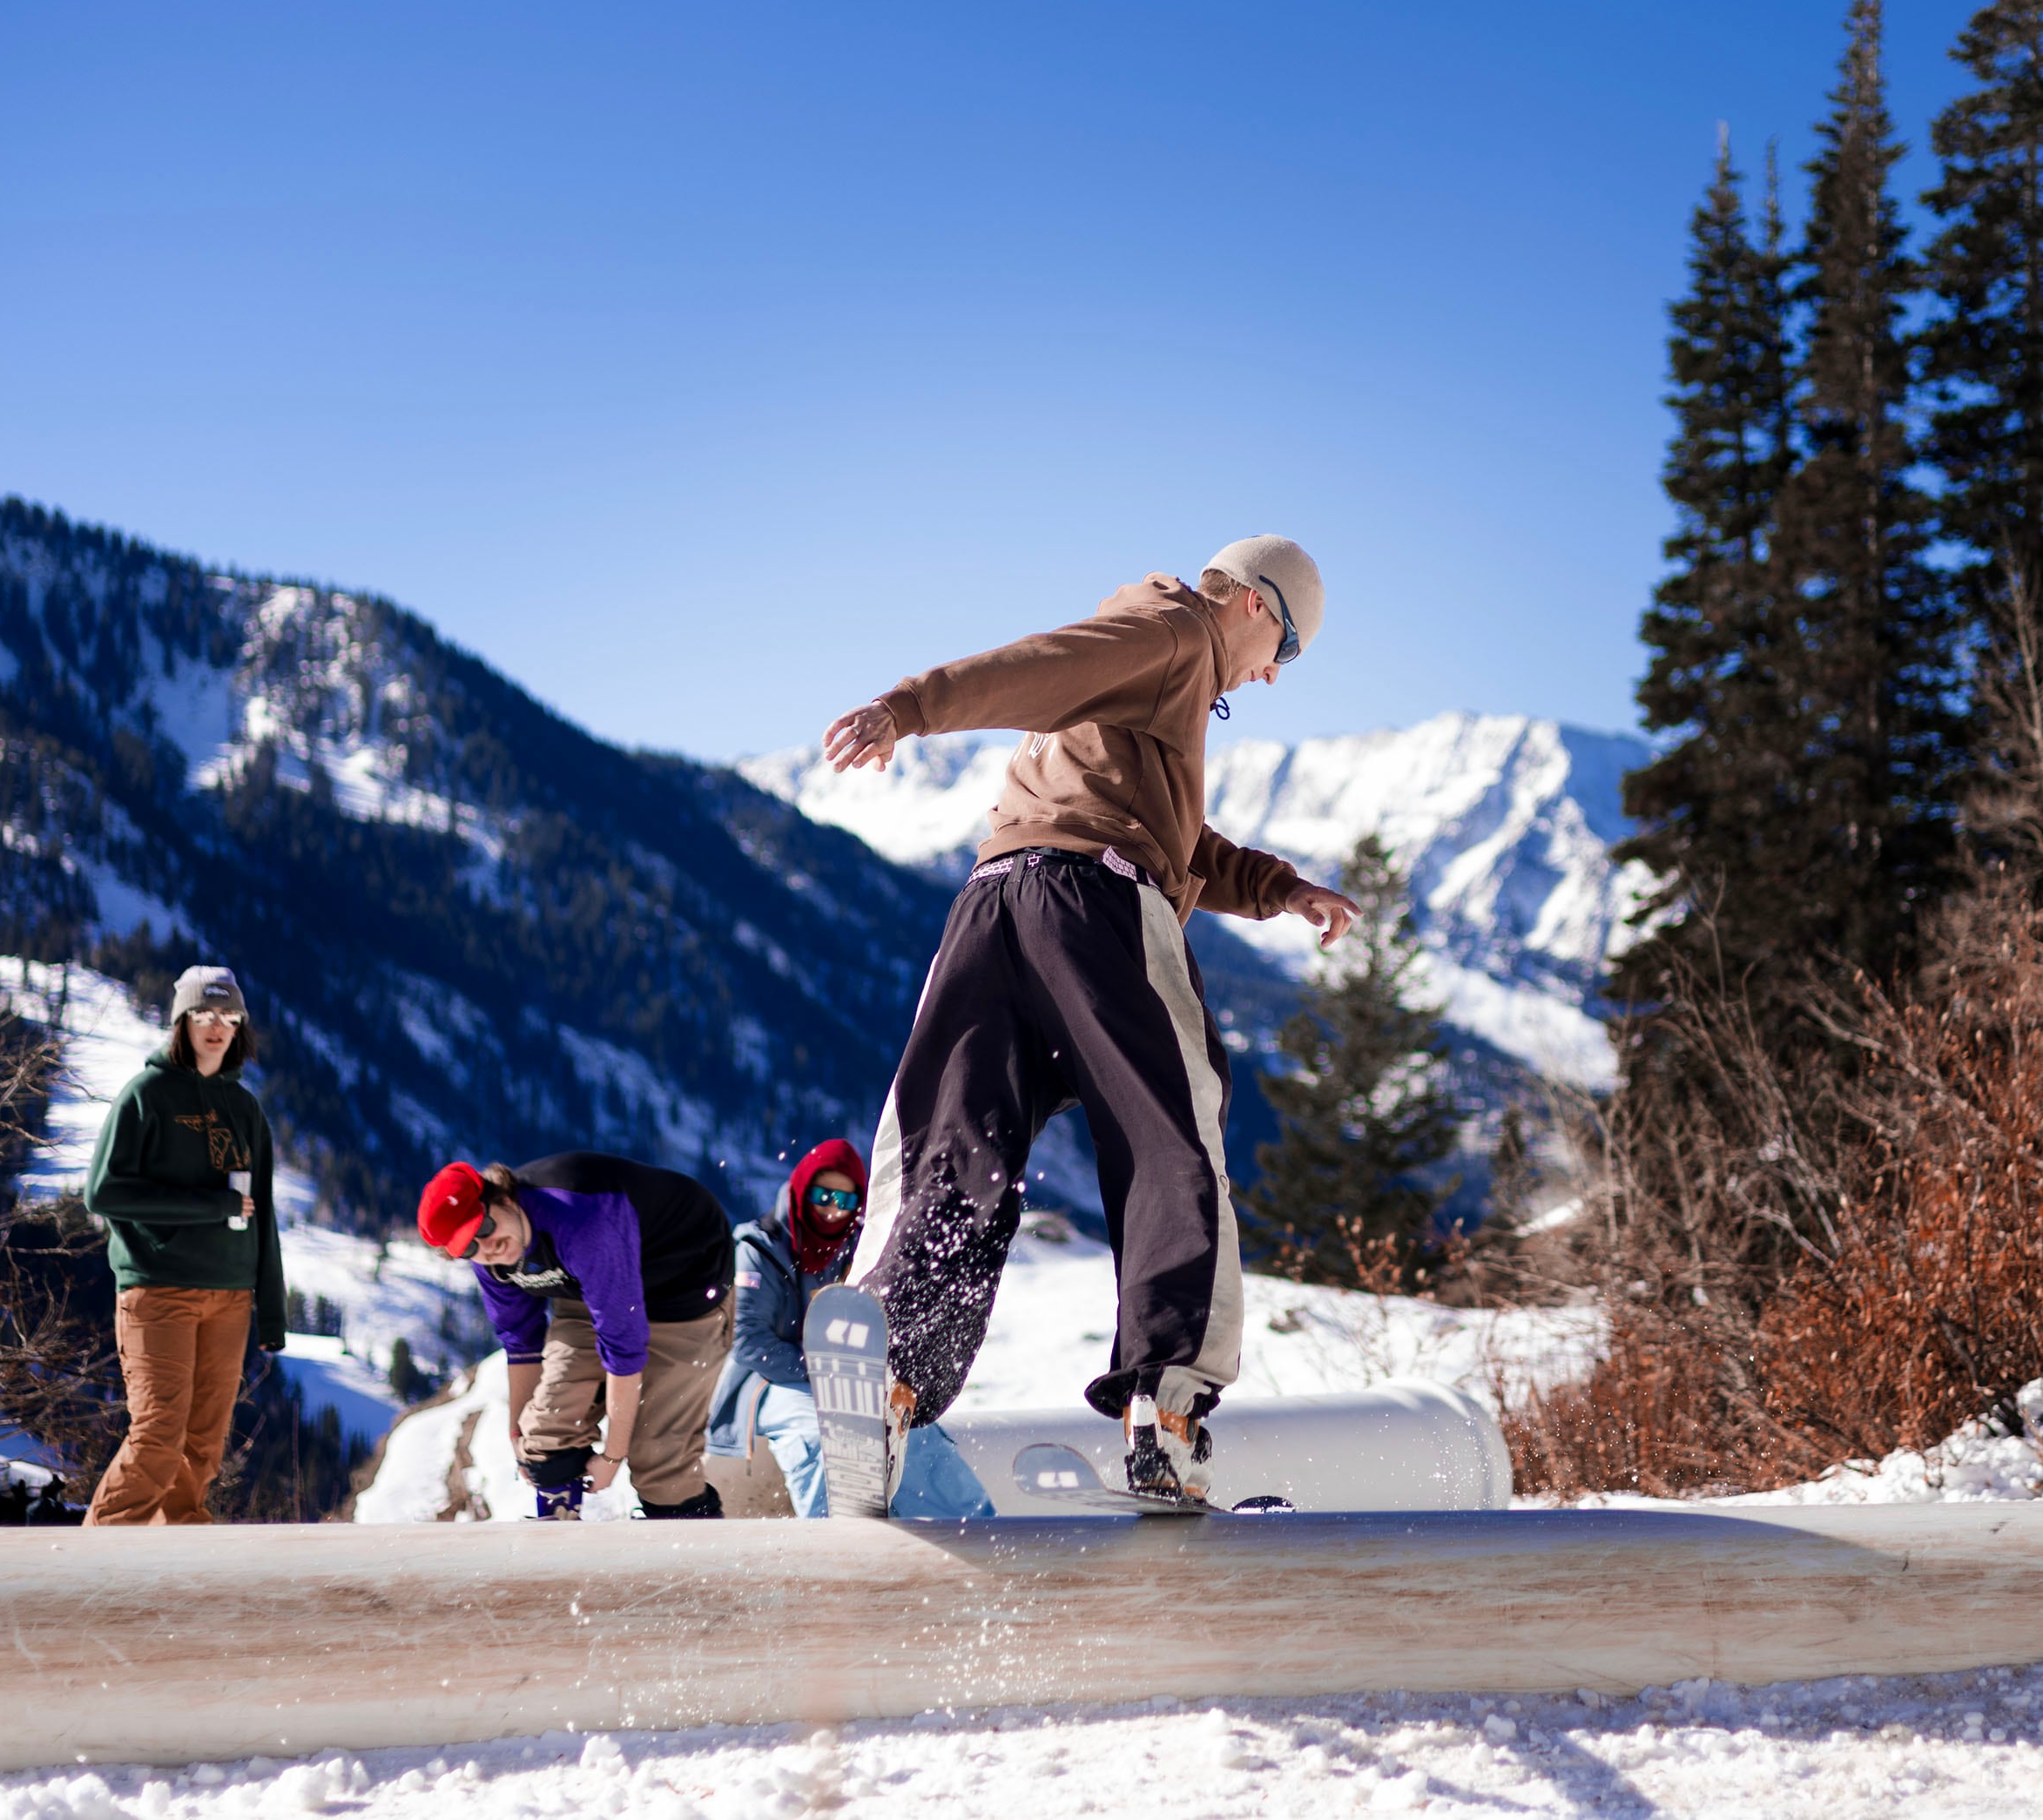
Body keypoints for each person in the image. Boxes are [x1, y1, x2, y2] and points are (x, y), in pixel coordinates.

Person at [817, 534, 1359, 1510]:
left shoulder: (1158, 692)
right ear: (1252, 603)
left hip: (991, 906)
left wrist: (1280, 888)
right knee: (1172, 1133)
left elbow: (1184, 839)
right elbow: (1049, 665)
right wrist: (911, 707)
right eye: (1288, 646)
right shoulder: (1177, 632)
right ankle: (1168, 1408)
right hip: (1095, 903)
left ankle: (888, 1381)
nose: (1274, 674)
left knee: (956, 1147)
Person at [417, 1152, 733, 1520]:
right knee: (545, 1437)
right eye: (469, 1246)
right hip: (592, 1288)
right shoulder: (494, 1261)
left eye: (484, 1228)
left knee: (659, 1462)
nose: (487, 1248)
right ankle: (562, 1552)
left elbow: (623, 1350)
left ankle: (692, 1564)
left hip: (686, 1285)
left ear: (503, 1197)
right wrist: (520, 1440)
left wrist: (613, 1455)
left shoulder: (579, 1217)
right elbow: (521, 1344)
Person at [82, 966, 287, 1526]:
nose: (216, 1026)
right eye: (203, 1015)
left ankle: (177, 1574)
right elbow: (101, 1192)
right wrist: (208, 1206)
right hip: (157, 1288)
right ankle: (93, 1564)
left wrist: (271, 1313)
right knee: (158, 1435)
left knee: (203, 1448)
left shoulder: (245, 1109)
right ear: (182, 1023)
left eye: (228, 1016)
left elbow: (262, 1213)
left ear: (240, 1025)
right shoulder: (146, 1095)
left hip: (229, 1298)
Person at [704, 1136, 994, 1519]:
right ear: (803, 1188)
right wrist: (821, 1369)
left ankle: (969, 1531)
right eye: (824, 1196)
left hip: (849, 1378)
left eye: (846, 1202)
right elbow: (747, 1342)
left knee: (909, 1430)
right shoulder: (758, 1249)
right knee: (819, 1438)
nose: (833, 1211)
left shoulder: (859, 1247)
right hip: (768, 1381)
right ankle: (835, 1548)